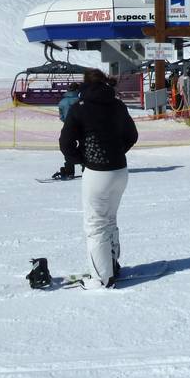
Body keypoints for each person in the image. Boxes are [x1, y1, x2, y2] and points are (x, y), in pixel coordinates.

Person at [59, 69, 138, 289]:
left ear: (85, 85)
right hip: (120, 171)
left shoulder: (80, 107)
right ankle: (111, 266)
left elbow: (65, 143)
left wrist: (82, 159)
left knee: (96, 225)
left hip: (96, 173)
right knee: (109, 219)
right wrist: (116, 152)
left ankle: (102, 278)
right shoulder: (118, 105)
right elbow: (132, 135)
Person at [50, 83, 82, 180]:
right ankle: (86, 167)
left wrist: (67, 122)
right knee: (84, 145)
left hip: (68, 127)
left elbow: (61, 116)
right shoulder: (80, 101)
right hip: (81, 126)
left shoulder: (62, 102)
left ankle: (69, 170)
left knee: (67, 148)